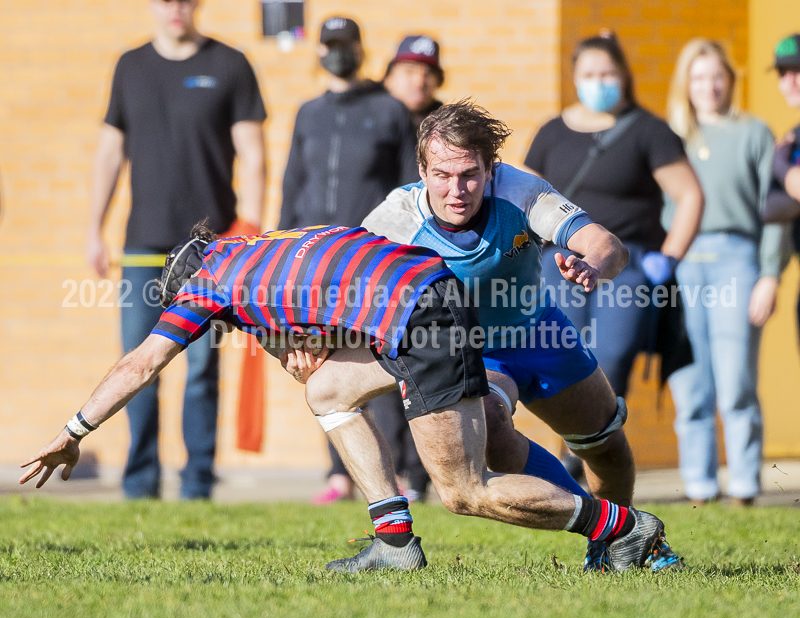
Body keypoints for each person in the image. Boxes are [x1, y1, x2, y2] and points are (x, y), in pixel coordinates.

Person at [20, 224, 681, 575]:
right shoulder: (270, 247)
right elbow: (342, 286)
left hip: (421, 320)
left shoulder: (208, 286)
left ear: (192, 285)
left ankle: (623, 529)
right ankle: (393, 540)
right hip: (433, 292)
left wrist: (74, 429)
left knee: (463, 491)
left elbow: (143, 361)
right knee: (329, 388)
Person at [362, 99, 682, 572]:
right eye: (442, 175)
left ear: (491, 170)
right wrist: (305, 346)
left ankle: (615, 547)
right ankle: (616, 530)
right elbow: (341, 289)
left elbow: (605, 244)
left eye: (469, 174)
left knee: (605, 446)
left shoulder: (522, 191)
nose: (456, 190)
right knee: (491, 421)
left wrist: (591, 266)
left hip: (541, 334)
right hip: (470, 353)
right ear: (422, 170)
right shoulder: (394, 221)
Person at [86, 0, 267, 499]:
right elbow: (108, 153)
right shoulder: (131, 66)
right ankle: (139, 480)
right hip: (143, 242)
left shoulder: (229, 64)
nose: (175, 9)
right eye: (166, 0)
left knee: (202, 370)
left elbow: (253, 155)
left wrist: (248, 234)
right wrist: (93, 229)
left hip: (210, 248)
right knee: (136, 363)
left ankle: (197, 482)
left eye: (185, 1)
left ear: (198, 6)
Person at [523, 34, 704, 453]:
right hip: (559, 262)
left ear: (623, 74)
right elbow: (524, 195)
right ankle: (572, 456)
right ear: (575, 78)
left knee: (613, 356)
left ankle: (594, 451)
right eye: (589, 74)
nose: (598, 81)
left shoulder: (648, 130)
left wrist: (670, 257)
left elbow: (690, 195)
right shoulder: (553, 131)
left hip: (629, 262)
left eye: (607, 73)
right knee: (562, 355)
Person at [279, 16, 420, 504]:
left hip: (369, 259)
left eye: (347, 45)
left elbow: (408, 189)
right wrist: (280, 251)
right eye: (330, 45)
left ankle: (398, 470)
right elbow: (292, 184)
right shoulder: (307, 113)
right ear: (319, 51)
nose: (339, 53)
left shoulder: (389, 111)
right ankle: (339, 473)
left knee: (384, 361)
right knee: (320, 365)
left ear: (361, 49)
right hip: (314, 261)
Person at [664, 39, 789, 506]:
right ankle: (698, 485)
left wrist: (769, 274)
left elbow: (774, 210)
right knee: (690, 382)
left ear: (730, 81)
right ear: (686, 84)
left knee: (736, 380)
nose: (708, 86)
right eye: (698, 77)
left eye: (717, 76)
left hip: (738, 258)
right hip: (682, 262)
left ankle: (744, 486)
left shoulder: (755, 133)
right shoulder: (671, 137)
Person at [374, 34, 447, 502]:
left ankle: (424, 471)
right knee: (378, 363)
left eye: (425, 71)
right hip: (380, 252)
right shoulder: (373, 118)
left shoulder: (446, 124)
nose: (416, 79)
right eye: (406, 70)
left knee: (428, 359)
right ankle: (388, 471)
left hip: (431, 255)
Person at [763, 34, 800, 344]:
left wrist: (780, 166)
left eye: (798, 71)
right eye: (783, 73)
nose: (790, 82)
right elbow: (770, 207)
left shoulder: (784, 149)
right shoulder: (795, 137)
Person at [383, 35, 444, 129]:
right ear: (389, 78)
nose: (419, 82)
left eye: (428, 73)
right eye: (409, 71)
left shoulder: (447, 131)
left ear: (439, 81)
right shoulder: (365, 121)